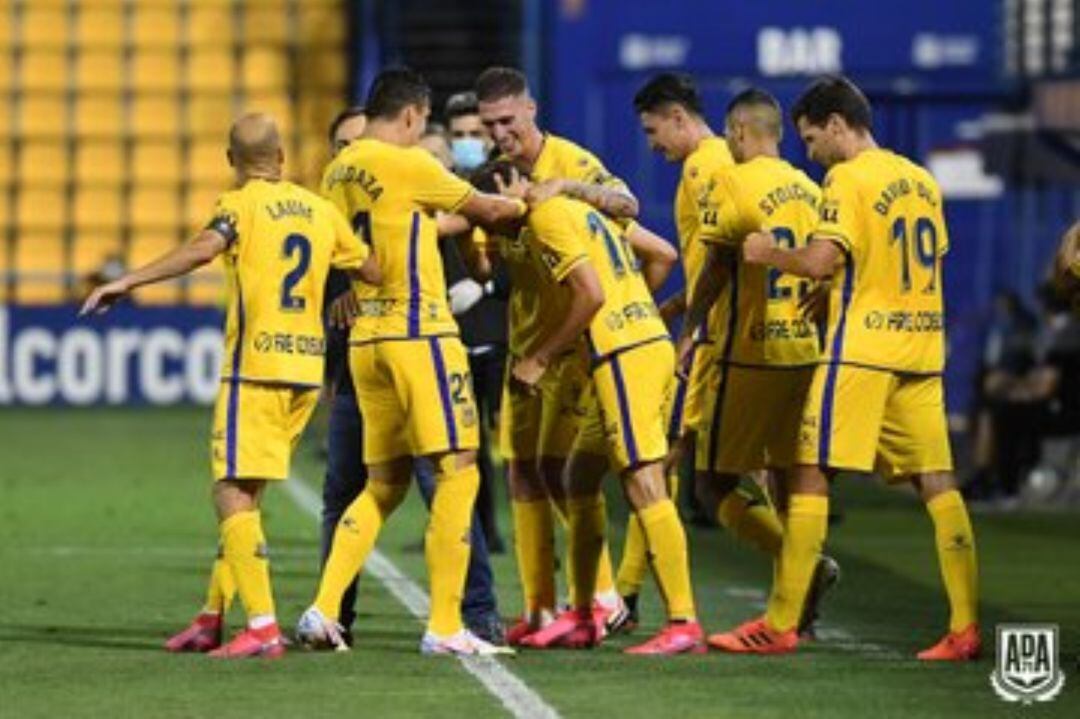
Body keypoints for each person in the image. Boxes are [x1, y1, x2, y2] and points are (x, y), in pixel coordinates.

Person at [81, 113, 380, 658]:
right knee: (250, 494)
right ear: (283, 158)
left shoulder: (237, 205)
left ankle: (262, 626)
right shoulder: (321, 209)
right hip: (306, 371)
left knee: (229, 492)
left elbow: (201, 249)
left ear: (230, 161)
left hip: (256, 367)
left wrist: (125, 280)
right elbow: (374, 269)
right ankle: (211, 615)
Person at [711, 76, 980, 660]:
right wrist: (833, 287)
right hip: (922, 348)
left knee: (806, 472)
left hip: (860, 352)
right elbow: (902, 259)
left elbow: (818, 257)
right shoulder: (921, 179)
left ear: (837, 125)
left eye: (812, 139)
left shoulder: (846, 177)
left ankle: (780, 623)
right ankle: (964, 627)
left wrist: (770, 255)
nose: (810, 152)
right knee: (937, 485)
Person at [295, 67, 527, 656]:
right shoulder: (413, 163)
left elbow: (400, 229)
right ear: (409, 116)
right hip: (420, 336)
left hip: (367, 343)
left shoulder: (337, 170)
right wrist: (521, 199)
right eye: (421, 124)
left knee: (382, 485)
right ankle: (448, 625)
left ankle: (324, 610)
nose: (422, 133)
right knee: (459, 472)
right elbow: (490, 211)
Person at [474, 165, 701, 654]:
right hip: (632, 347)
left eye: (492, 205)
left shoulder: (547, 214)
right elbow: (657, 255)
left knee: (644, 480)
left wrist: (540, 357)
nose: (491, 219)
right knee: (577, 477)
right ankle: (584, 613)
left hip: (623, 353)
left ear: (513, 187)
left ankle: (683, 622)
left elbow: (592, 294)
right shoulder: (579, 209)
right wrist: (643, 310)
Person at [472, 66, 641, 638]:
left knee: (565, 472)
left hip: (567, 350)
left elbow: (628, 205)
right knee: (522, 472)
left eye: (508, 120)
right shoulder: (496, 177)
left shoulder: (569, 161)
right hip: (525, 344)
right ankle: (541, 607)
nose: (500, 133)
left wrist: (567, 188)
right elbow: (497, 262)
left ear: (532, 111)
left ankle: (603, 595)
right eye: (490, 123)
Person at [673, 87, 840, 641]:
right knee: (794, 483)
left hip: (747, 354)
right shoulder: (810, 188)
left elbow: (719, 261)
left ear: (740, 133)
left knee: (710, 485)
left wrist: (692, 325)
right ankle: (798, 610)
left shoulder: (732, 180)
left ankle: (803, 567)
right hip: (804, 352)